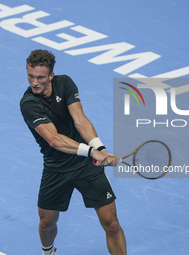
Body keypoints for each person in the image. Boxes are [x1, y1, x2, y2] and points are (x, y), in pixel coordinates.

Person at [20, 49, 127, 255]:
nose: (34, 82)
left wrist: (100, 148)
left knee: (112, 223)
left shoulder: (65, 83)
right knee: (46, 223)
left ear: (51, 75)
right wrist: (92, 152)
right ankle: (48, 252)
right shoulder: (29, 104)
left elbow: (80, 120)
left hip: (86, 167)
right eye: (30, 76)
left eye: (40, 77)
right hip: (56, 168)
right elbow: (53, 140)